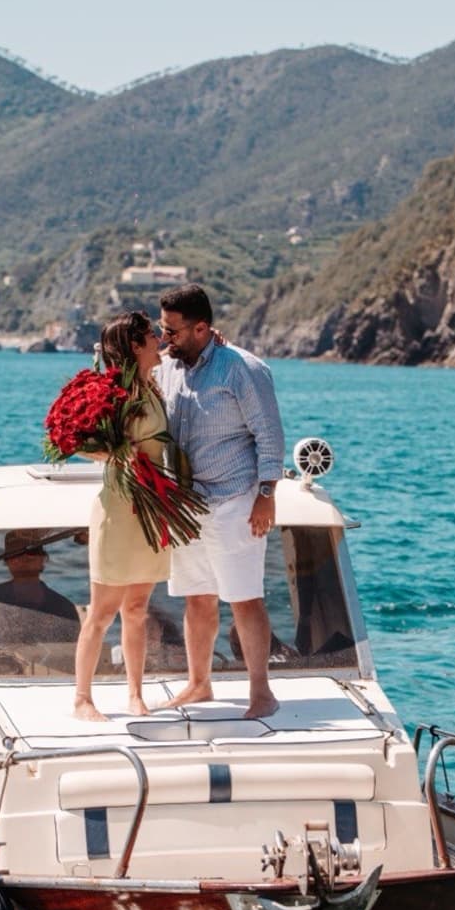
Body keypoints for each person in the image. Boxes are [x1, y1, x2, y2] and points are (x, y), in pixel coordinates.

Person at [157, 283, 285, 719]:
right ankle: (199, 684)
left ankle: (261, 693)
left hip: (235, 499)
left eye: (172, 332)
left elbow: (269, 435)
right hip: (187, 506)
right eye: (162, 330)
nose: (165, 340)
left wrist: (266, 495)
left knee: (245, 598)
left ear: (201, 328)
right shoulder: (168, 367)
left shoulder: (242, 369)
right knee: (197, 596)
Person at [73, 310, 175, 720]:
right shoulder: (113, 391)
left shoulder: (151, 386)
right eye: (152, 335)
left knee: (137, 609)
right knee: (101, 612)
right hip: (120, 508)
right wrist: (117, 453)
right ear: (135, 345)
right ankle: (82, 698)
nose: (159, 339)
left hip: (151, 508)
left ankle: (135, 694)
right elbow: (77, 441)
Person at [0, 530, 81, 672]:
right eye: (16, 553)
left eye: (33, 551)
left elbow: (75, 656)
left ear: (43, 558)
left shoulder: (64, 608)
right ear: (8, 561)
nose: (25, 557)